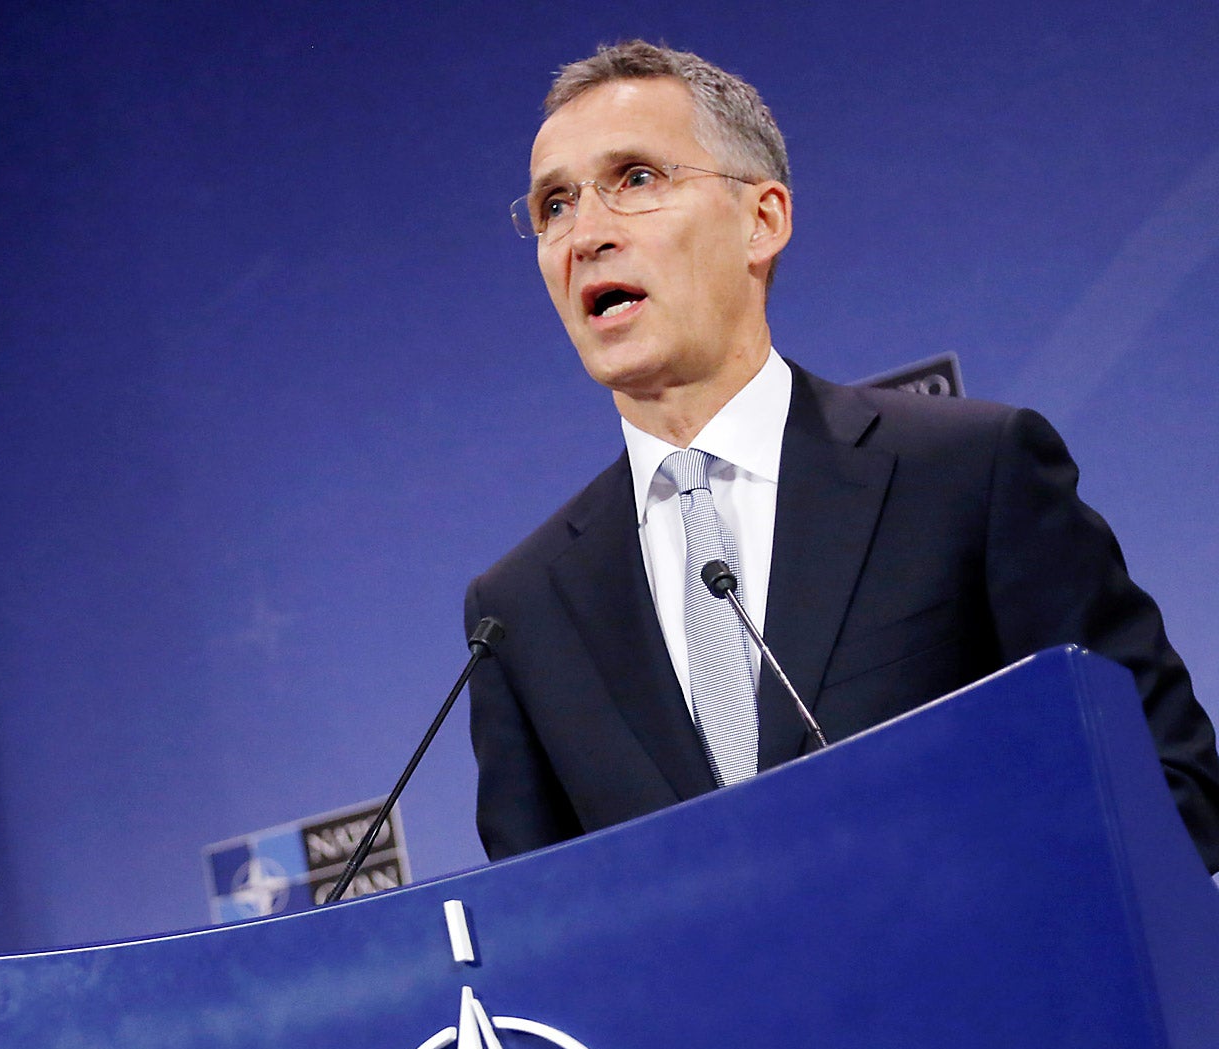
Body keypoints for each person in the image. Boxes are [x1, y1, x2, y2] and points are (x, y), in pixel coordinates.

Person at [466, 40, 1219, 873]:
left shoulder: (970, 474)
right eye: (555, 206)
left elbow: (1164, 788)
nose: (586, 235)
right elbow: (534, 941)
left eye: (636, 180)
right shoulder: (519, 612)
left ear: (763, 220)